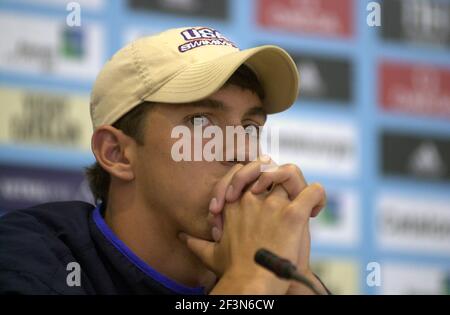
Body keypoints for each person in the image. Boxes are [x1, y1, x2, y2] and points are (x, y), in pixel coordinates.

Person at [0, 26, 329, 295]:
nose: (243, 151)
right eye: (202, 123)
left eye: (249, 127)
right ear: (116, 153)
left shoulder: (271, 277)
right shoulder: (25, 259)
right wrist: (254, 279)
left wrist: (296, 280)